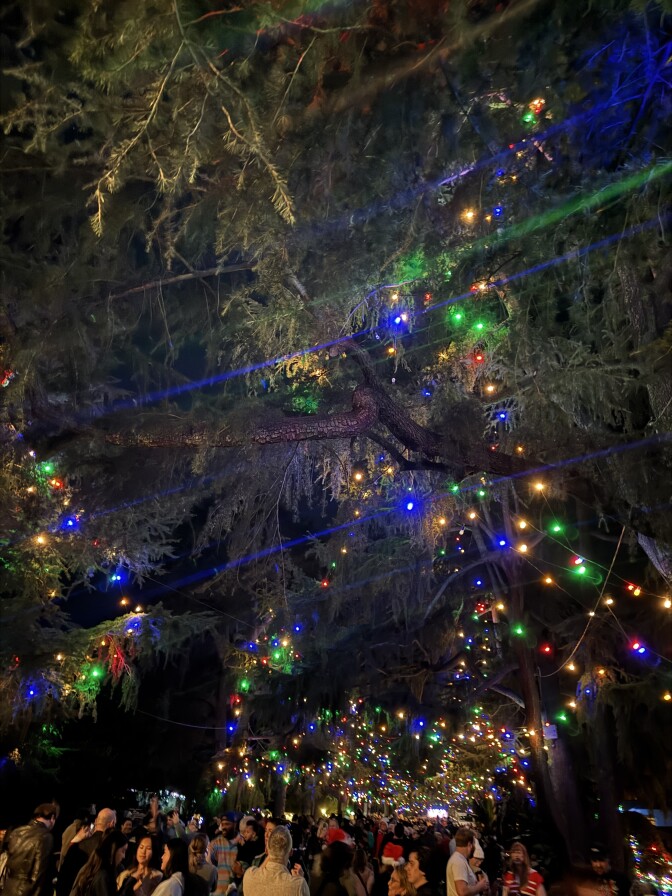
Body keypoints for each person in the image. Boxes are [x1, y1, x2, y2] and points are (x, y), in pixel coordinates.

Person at [2, 802, 60, 896]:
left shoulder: (17, 832)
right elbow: (38, 876)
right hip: (26, 891)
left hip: (8, 888)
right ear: (52, 818)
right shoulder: (45, 837)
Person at [58, 810, 117, 896]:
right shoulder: (111, 849)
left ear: (96, 821)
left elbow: (63, 878)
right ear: (112, 823)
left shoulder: (78, 845)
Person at [242, 825, 309, 896]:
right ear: (291, 852)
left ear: (267, 850)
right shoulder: (299, 886)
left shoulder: (249, 875)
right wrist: (299, 879)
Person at [70, 831, 128, 896]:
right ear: (113, 849)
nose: (124, 856)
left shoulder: (95, 868)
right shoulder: (102, 876)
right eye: (123, 851)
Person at [446, 828, 489, 896]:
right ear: (469, 844)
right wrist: (479, 886)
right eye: (474, 845)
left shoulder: (459, 859)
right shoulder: (458, 862)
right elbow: (462, 892)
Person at [210, 814, 238, 896]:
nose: (224, 827)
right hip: (218, 892)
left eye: (227, 824)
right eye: (222, 824)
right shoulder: (216, 842)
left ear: (235, 825)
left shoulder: (241, 842)